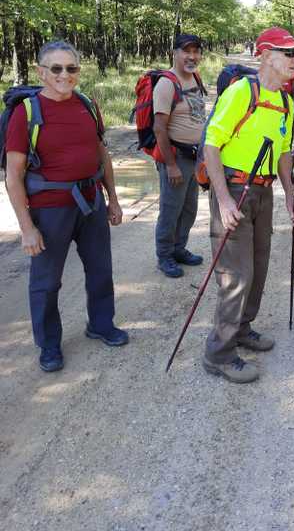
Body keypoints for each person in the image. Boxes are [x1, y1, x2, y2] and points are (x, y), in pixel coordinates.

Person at [5, 40, 128, 373]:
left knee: (101, 270)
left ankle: (101, 324)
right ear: (41, 72)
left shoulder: (87, 104)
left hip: (91, 204)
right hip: (49, 211)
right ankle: (48, 345)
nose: (64, 75)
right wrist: (27, 227)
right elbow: (14, 176)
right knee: (47, 282)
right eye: (56, 68)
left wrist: (112, 199)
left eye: (71, 68)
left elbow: (102, 154)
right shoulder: (25, 113)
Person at [202, 27, 294, 383]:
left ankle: (243, 328)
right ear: (265, 56)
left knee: (258, 266)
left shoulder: (287, 103)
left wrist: (291, 196)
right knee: (235, 274)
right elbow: (212, 144)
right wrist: (224, 199)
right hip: (234, 188)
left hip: (263, 192)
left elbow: (284, 154)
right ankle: (219, 352)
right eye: (288, 53)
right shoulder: (241, 92)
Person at [153, 33, 206, 278]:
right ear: (174, 53)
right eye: (187, 51)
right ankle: (164, 256)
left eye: (196, 51)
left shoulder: (195, 77)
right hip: (176, 158)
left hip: (195, 158)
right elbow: (159, 128)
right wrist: (171, 165)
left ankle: (179, 249)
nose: (192, 56)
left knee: (189, 208)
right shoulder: (167, 83)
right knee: (170, 209)